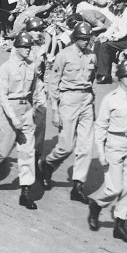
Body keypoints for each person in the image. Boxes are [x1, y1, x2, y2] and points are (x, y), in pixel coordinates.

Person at [87, 60, 127, 244]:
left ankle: (120, 226)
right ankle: (96, 204)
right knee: (114, 187)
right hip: (114, 142)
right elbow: (101, 126)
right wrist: (101, 153)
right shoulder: (110, 98)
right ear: (120, 78)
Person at [40, 19, 97, 203]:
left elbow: (92, 77)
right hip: (68, 100)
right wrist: (55, 110)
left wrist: (90, 99)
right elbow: (53, 83)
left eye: (88, 38)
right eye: (82, 39)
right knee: (65, 146)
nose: (86, 42)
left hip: (86, 101)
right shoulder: (64, 55)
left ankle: (78, 186)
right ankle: (48, 164)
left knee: (86, 147)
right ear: (75, 38)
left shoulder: (92, 55)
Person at [0, 31, 41, 209]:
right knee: (2, 150)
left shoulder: (32, 67)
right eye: (25, 46)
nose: (28, 49)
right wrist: (14, 118)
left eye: (30, 46)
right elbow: (2, 96)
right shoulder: (6, 68)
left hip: (26, 111)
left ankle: (26, 191)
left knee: (27, 152)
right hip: (10, 112)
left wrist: (35, 111)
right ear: (17, 47)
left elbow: (35, 90)